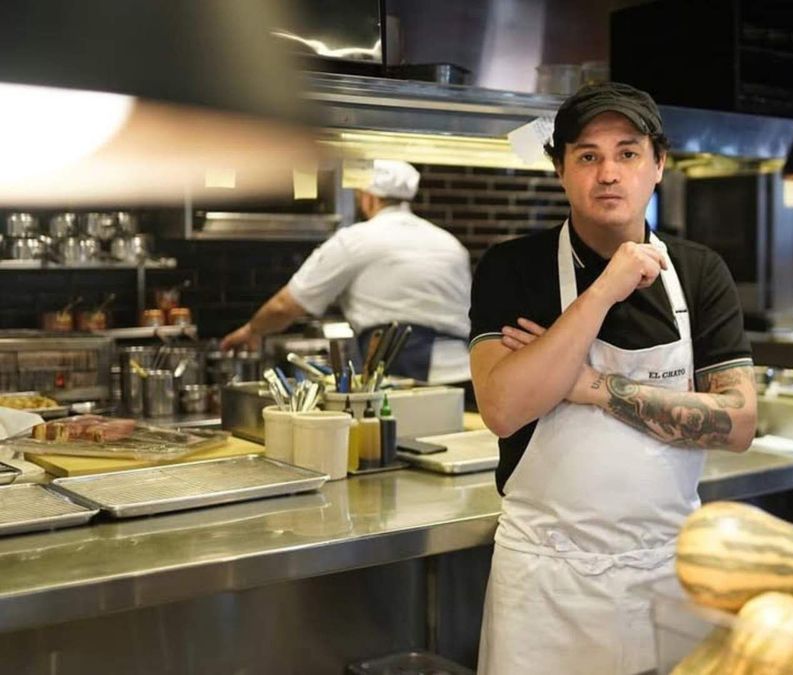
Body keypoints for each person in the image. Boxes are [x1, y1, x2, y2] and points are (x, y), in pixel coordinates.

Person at [468, 82, 757, 675]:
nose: (608, 173)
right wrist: (605, 288)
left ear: (658, 165)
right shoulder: (511, 267)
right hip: (546, 584)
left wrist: (587, 387)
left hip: (668, 573)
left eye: (627, 153)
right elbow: (502, 408)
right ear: (561, 170)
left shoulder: (700, 273)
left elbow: (738, 423)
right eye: (588, 156)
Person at [219, 159, 472, 384]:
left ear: (368, 197)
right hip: (467, 373)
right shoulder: (450, 243)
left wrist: (251, 331)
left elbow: (286, 305)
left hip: (408, 378)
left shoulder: (356, 240)